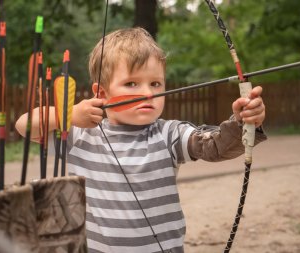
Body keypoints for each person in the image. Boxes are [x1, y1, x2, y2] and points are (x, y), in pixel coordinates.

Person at [16, 27, 266, 253]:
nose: (147, 93)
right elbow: (24, 125)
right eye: (132, 83)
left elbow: (215, 146)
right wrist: (68, 115)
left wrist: (243, 121)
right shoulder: (79, 135)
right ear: (101, 93)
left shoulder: (168, 134)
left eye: (156, 83)